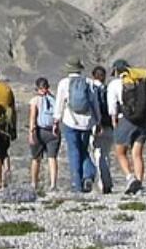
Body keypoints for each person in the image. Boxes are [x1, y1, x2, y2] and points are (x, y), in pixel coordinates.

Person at [54, 59, 103, 193]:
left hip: (70, 121)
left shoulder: (63, 83)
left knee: (73, 151)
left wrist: (56, 121)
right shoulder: (89, 82)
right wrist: (98, 121)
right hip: (86, 123)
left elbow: (59, 104)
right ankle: (87, 176)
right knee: (84, 150)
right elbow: (95, 104)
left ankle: (76, 183)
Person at [108, 59, 146, 195]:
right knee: (137, 154)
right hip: (143, 121)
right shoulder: (141, 82)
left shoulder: (115, 84)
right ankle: (139, 182)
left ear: (116, 71)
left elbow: (112, 107)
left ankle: (130, 177)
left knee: (120, 152)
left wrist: (114, 121)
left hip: (126, 120)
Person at [27, 77, 59, 191]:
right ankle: (53, 183)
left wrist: (31, 133)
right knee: (52, 158)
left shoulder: (35, 100)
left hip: (40, 131)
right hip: (53, 132)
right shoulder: (53, 99)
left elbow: (32, 117)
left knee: (36, 158)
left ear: (37, 88)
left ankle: (34, 183)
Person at [88, 65, 114, 193]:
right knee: (106, 155)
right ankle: (107, 182)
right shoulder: (108, 89)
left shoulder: (92, 89)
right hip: (109, 126)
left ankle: (100, 184)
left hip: (96, 127)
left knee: (96, 155)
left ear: (93, 76)